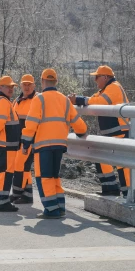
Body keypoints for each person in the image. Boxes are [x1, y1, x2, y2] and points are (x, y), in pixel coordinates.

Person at [21, 69, 87, 219]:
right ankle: (60, 206)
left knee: (44, 176)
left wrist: (26, 143)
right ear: (56, 82)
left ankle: (51, 209)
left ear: (42, 81)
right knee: (54, 176)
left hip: (43, 145)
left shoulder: (39, 99)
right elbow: (79, 125)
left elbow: (31, 124)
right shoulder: (64, 100)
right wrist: (81, 132)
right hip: (59, 145)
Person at [69, 65, 131, 197]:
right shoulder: (105, 89)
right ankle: (110, 189)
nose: (95, 80)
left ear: (105, 77)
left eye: (97, 77)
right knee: (101, 157)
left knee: (122, 165)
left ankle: (128, 193)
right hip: (112, 132)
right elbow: (92, 99)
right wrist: (77, 99)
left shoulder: (114, 87)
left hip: (120, 131)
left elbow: (100, 102)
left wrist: (79, 100)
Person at [0, 76, 22, 212]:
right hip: (5, 144)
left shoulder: (1, 100)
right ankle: (2, 202)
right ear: (0, 87)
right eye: (8, 86)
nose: (11, 89)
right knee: (5, 173)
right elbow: (0, 121)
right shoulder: (3, 102)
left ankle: (3, 200)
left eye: (12, 87)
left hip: (4, 144)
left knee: (4, 172)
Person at [10, 74, 37, 204]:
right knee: (24, 167)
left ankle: (16, 193)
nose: (26, 87)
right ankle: (27, 195)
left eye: (29, 84)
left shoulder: (36, 100)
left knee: (19, 164)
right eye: (24, 84)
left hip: (30, 139)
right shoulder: (17, 100)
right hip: (18, 139)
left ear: (34, 85)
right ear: (20, 85)